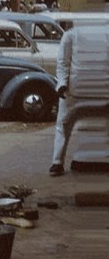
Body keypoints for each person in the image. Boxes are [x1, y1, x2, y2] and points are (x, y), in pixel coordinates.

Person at [50, 27, 82, 176]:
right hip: (73, 89)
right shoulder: (70, 36)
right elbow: (63, 62)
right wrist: (62, 83)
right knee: (63, 125)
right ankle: (57, 161)